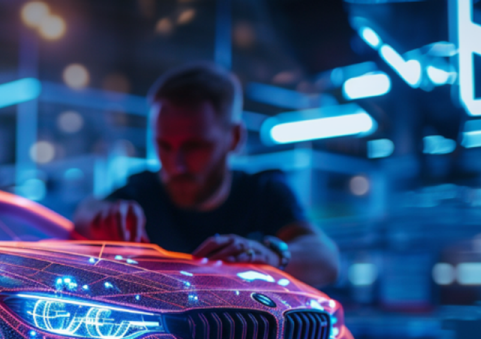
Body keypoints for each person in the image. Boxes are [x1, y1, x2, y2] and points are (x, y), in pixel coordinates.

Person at [73, 62, 341, 287]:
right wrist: (103, 217)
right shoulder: (143, 190)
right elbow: (85, 212)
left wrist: (269, 256)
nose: (176, 165)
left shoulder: (263, 192)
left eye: (195, 147)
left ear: (234, 137)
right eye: (164, 146)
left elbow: (327, 262)